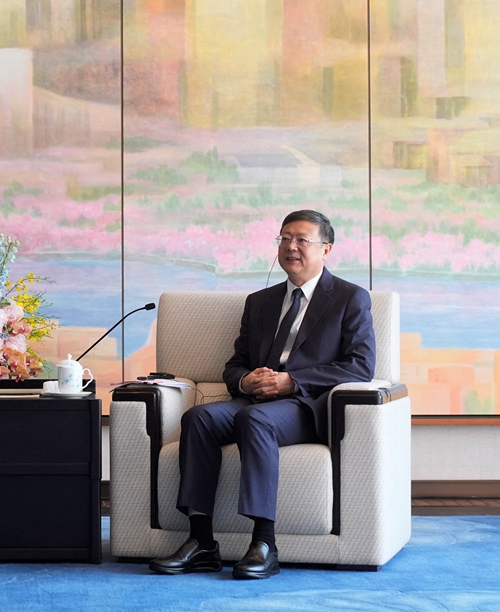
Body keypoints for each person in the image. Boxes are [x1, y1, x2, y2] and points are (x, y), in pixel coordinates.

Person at [149, 209, 375, 580]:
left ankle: (264, 543)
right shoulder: (260, 301)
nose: (291, 247)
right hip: (253, 401)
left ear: (326, 249)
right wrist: (244, 381)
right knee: (199, 417)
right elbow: (234, 364)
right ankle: (201, 541)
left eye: (302, 239)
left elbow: (360, 367)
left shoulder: (350, 298)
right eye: (284, 238)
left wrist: (292, 382)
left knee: (253, 419)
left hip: (305, 407)